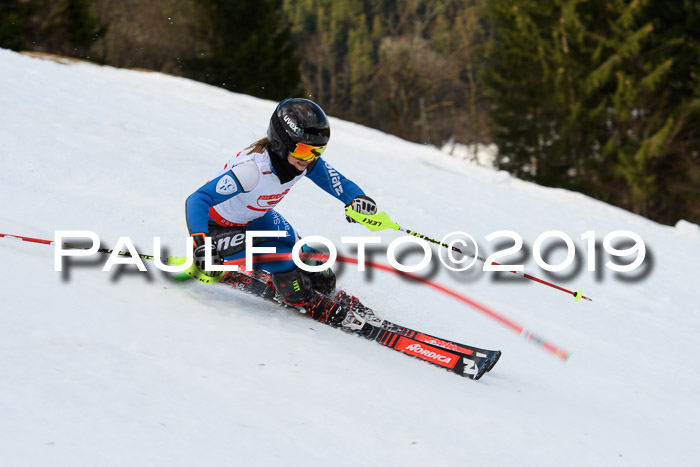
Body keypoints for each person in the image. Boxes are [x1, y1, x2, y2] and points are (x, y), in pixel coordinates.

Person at [185, 98, 377, 307]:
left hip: (255, 219)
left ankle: (319, 290)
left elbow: (338, 183)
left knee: (312, 261)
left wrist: (358, 200)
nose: (309, 158)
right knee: (286, 261)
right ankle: (302, 299)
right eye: (304, 150)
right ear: (281, 142)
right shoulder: (252, 170)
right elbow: (197, 200)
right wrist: (201, 246)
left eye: (318, 151)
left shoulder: (303, 161)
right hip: (215, 229)